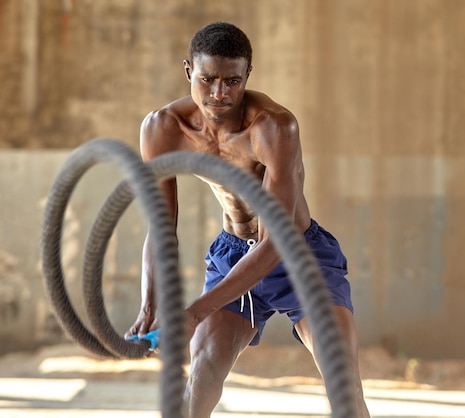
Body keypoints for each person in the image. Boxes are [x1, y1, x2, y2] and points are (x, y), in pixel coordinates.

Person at [125, 21, 370, 418]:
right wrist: (150, 305)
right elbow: (161, 227)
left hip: (297, 253)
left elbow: (275, 245)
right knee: (200, 377)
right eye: (207, 80)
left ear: (247, 76)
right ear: (188, 71)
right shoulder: (163, 129)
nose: (219, 93)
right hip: (233, 254)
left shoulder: (274, 126)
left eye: (232, 81)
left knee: (342, 379)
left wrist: (193, 311)